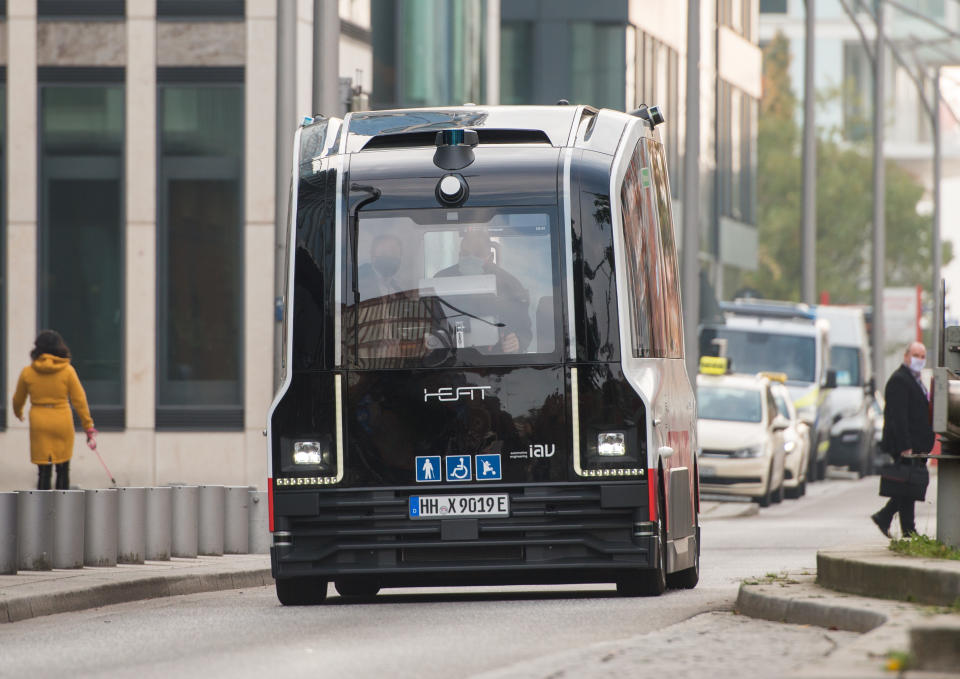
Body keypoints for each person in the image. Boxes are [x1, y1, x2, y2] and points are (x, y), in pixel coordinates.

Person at [12, 330, 97, 490]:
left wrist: (19, 413)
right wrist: (88, 425)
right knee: (63, 469)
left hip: (39, 421)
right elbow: (79, 400)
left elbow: (18, 399)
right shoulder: (67, 371)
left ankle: (41, 508)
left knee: (43, 471)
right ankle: (62, 508)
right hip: (62, 420)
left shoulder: (28, 372)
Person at [871, 341, 934, 537]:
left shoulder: (915, 380)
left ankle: (901, 526)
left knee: (909, 485)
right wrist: (905, 446)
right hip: (905, 445)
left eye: (923, 356)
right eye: (916, 355)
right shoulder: (900, 380)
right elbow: (898, 417)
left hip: (916, 444)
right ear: (906, 356)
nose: (919, 360)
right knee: (909, 484)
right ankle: (894, 521)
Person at [434, 229, 532, 354]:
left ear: (490, 257)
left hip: (496, 363)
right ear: (459, 255)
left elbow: (524, 329)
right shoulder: (441, 280)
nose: (470, 258)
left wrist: (517, 341)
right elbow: (430, 318)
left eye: (478, 253)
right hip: (449, 358)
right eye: (465, 253)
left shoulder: (509, 285)